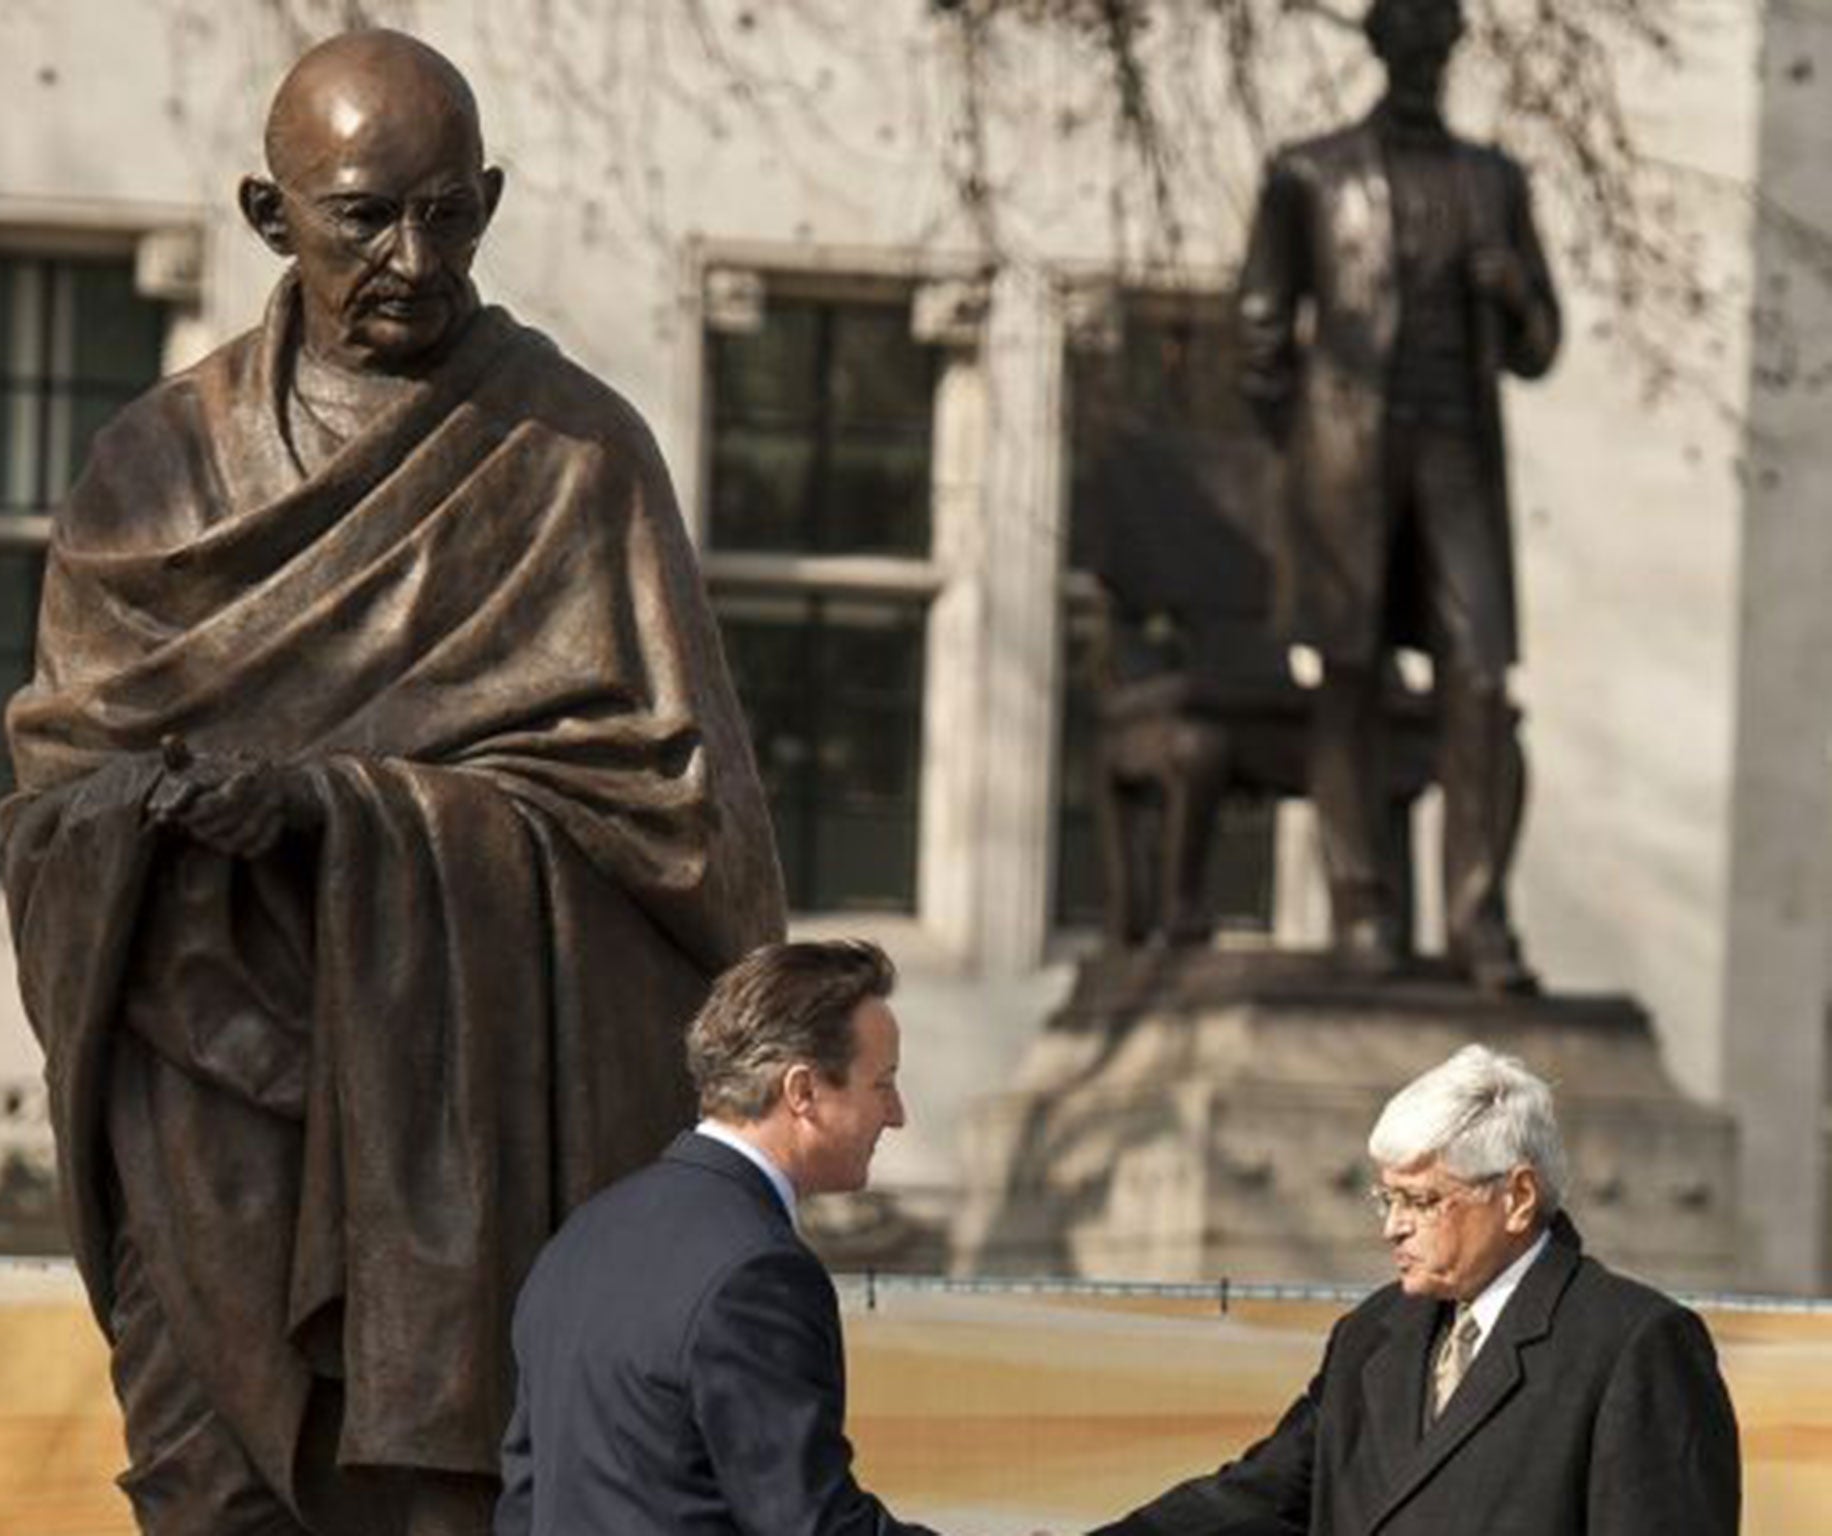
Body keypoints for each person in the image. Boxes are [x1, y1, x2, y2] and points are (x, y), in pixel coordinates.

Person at [0, 29, 784, 1536]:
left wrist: (346, 812)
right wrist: (158, 814)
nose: (414, 258)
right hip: (209, 1086)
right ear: (266, 212)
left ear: (489, 198)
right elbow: (50, 794)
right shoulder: (152, 468)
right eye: (365, 215)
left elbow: (688, 831)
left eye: (450, 211)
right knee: (207, 1493)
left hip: (465, 1121)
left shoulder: (572, 457)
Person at [1236, 0, 1560, 990]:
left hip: (1457, 452)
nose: (1426, 58)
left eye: (1441, 42)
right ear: (1381, 47)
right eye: (1411, 41)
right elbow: (1258, 330)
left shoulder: (1493, 181)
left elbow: (1538, 346)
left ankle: (1476, 921)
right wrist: (1304, 449)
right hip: (1343, 456)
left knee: (1476, 677)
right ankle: (1360, 908)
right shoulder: (1307, 172)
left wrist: (1508, 289)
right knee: (1349, 674)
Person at [1089, 1044, 1740, 1536]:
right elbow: (1258, 1498)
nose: (1393, 1227)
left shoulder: (1633, 1344)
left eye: (1421, 1200)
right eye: (1387, 1198)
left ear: (1516, 1197)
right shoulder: (1374, 1334)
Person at [495, 939, 940, 1536]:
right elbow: (811, 1526)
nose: (897, 1113)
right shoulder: (758, 1273)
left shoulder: (581, 1237)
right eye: (881, 1083)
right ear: (802, 1091)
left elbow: (527, 1503)